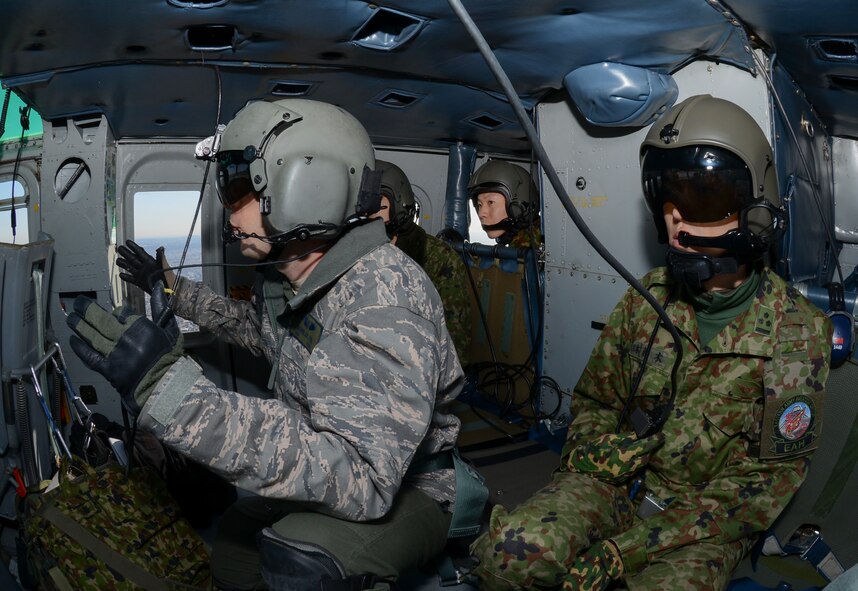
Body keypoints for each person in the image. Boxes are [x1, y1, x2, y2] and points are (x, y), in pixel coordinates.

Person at [66, 98, 470, 591]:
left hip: (415, 488)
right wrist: (175, 289)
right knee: (235, 547)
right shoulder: (290, 279)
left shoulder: (383, 297)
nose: (227, 208)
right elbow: (257, 330)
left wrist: (170, 394)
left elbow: (363, 479)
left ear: (307, 188)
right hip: (331, 462)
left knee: (298, 559)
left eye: (239, 188)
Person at [469, 95, 833, 590]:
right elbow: (596, 401)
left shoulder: (797, 330)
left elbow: (763, 488)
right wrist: (593, 452)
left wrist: (628, 549)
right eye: (665, 201)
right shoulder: (647, 298)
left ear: (756, 211)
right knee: (508, 557)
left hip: (704, 524)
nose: (676, 224)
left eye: (702, 198)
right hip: (616, 486)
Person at [370, 159, 472, 367]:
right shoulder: (355, 252)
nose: (368, 212)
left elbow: (455, 344)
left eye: (376, 203)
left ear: (399, 204)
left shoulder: (439, 259)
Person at [468, 159, 540, 248]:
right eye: (479, 204)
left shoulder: (532, 247)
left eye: (491, 202)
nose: (481, 213)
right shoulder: (520, 242)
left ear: (519, 206)